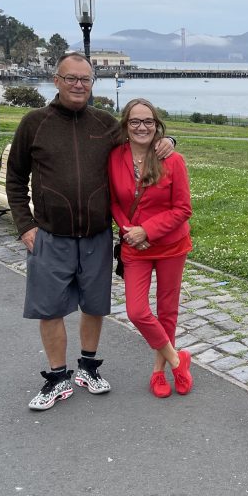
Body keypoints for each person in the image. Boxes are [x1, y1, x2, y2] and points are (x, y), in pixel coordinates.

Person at [7, 52, 175, 411]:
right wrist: (25, 225)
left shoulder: (105, 124)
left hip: (97, 236)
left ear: (92, 83)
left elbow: (141, 136)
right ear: (56, 80)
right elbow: (16, 178)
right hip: (50, 235)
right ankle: (57, 378)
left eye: (85, 79)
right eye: (71, 78)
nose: (78, 85)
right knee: (49, 309)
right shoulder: (34, 123)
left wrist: (169, 140)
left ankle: (88, 368)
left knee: (94, 305)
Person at [109, 99, 193, 399]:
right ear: (126, 125)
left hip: (171, 245)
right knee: (136, 311)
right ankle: (177, 360)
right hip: (135, 246)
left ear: (157, 125)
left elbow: (183, 209)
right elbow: (114, 201)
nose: (141, 127)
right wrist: (129, 231)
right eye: (135, 121)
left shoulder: (173, 160)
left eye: (148, 122)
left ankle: (159, 372)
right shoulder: (115, 157)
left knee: (167, 311)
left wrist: (148, 230)